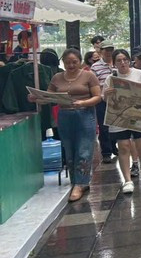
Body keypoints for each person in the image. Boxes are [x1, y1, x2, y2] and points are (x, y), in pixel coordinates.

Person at [29, 49, 101, 202]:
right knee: (69, 149)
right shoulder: (57, 77)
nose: (71, 65)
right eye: (68, 62)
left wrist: (83, 102)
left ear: (80, 61)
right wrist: (36, 98)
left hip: (85, 114)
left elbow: (97, 97)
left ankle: (80, 184)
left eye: (74, 62)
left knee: (84, 149)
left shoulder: (89, 76)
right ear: (63, 63)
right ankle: (78, 180)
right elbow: (48, 97)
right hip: (64, 115)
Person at [103, 49, 141, 194]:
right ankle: (127, 180)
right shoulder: (111, 79)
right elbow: (105, 98)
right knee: (124, 146)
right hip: (119, 116)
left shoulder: (139, 74)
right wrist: (106, 94)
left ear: (129, 60)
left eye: (125, 59)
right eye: (119, 60)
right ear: (114, 63)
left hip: (139, 114)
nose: (122, 63)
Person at [91, 41, 117, 163]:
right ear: (101, 51)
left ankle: (115, 146)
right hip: (102, 100)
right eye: (106, 50)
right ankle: (106, 152)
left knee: (118, 124)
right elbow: (93, 84)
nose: (109, 52)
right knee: (104, 126)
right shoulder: (95, 67)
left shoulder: (118, 63)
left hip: (118, 99)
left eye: (111, 49)